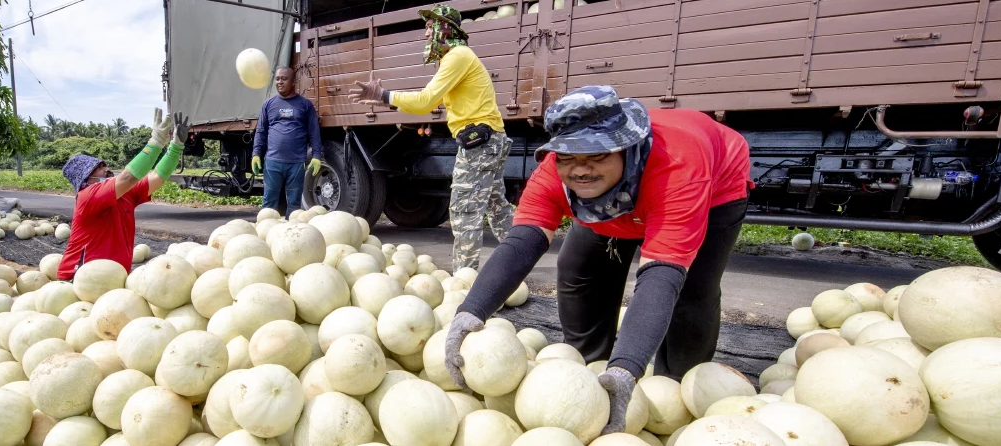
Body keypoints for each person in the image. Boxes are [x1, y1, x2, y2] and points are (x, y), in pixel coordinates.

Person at [443, 86, 752, 435]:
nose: (581, 169)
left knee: (691, 289)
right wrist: (470, 312)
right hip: (615, 199)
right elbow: (522, 243)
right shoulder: (555, 173)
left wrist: (627, 368)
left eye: (597, 155)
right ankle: (590, 364)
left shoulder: (678, 167)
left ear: (625, 147)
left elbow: (660, 276)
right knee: (579, 269)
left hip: (715, 187)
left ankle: (676, 384)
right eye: (568, 156)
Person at [347, 4, 512, 271]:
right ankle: (517, 261)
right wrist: (388, 101)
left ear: (445, 28)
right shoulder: (460, 57)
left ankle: (464, 280)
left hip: (480, 144)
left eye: (429, 27)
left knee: (464, 213)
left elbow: (425, 100)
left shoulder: (457, 56)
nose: (426, 35)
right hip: (490, 139)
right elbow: (434, 103)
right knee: (497, 207)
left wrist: (383, 95)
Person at [55, 109, 189, 280]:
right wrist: (156, 141)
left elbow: (158, 176)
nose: (107, 169)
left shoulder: (126, 194)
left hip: (112, 279)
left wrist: (176, 146)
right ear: (86, 178)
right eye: (99, 168)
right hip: (79, 278)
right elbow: (128, 177)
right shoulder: (87, 196)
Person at [252, 66, 323, 212]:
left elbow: (314, 132)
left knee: (294, 205)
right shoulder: (268, 104)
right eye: (277, 79)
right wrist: (256, 154)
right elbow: (261, 131)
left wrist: (317, 156)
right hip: (272, 162)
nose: (280, 82)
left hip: (296, 164)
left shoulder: (305, 105)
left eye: (284, 79)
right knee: (268, 203)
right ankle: (266, 231)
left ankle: (292, 233)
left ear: (293, 81)